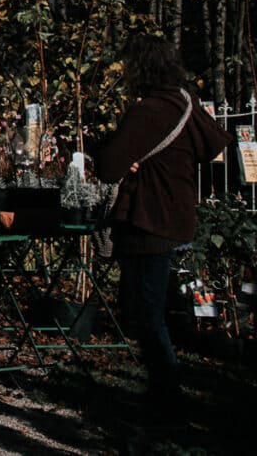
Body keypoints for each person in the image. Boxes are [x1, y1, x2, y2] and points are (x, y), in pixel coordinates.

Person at [95, 34, 229, 420]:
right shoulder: (186, 103)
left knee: (145, 313)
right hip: (176, 216)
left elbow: (108, 166)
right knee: (150, 309)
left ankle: (169, 397)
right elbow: (213, 145)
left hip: (148, 221)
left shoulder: (150, 111)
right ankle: (162, 391)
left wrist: (127, 156)